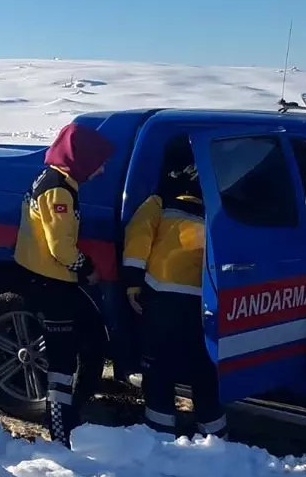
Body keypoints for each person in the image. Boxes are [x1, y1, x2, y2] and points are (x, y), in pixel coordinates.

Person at [13, 122, 116, 447]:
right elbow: (60, 247)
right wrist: (85, 267)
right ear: (81, 158)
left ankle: (70, 413)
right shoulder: (60, 190)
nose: (101, 170)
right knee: (61, 361)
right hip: (50, 282)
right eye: (98, 162)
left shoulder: (53, 179)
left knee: (85, 343)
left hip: (44, 278)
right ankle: (60, 431)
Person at [123, 139, 225, 438]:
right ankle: (214, 434)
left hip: (162, 299)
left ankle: (159, 431)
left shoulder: (157, 203)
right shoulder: (217, 210)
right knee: (204, 367)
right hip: (204, 301)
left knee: (158, 366)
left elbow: (136, 243)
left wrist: (132, 283)